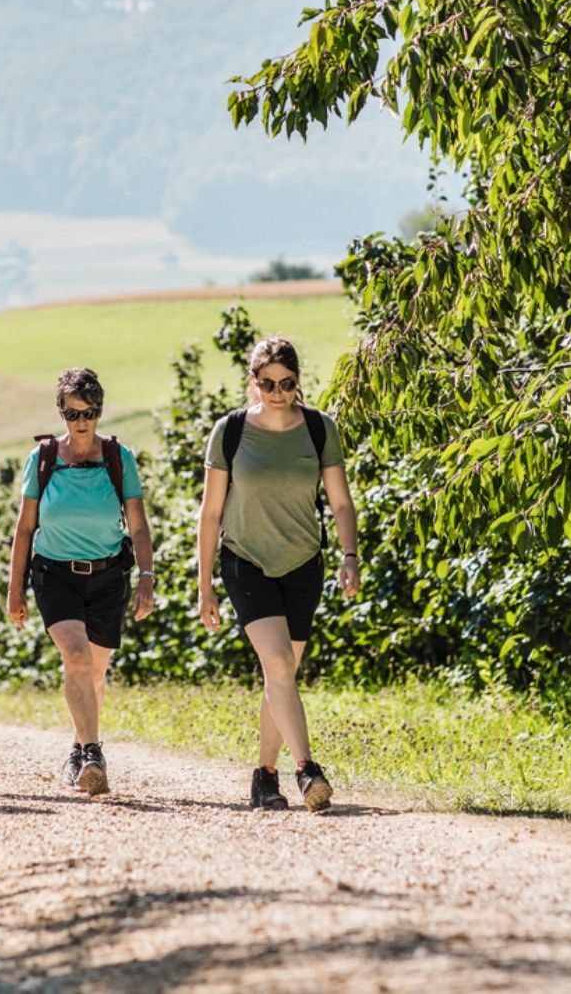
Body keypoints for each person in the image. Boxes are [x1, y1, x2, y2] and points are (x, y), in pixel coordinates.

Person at [196, 335, 359, 812]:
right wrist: (204, 585)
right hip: (246, 560)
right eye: (267, 383)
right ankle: (308, 770)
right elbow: (211, 512)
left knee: (280, 674)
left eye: (287, 383)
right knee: (281, 666)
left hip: (303, 563)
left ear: (297, 381)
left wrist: (350, 555)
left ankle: (265, 776)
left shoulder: (319, 429)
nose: (278, 393)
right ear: (253, 381)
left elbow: (341, 502)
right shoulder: (230, 432)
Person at [7, 366, 155, 796]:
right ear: (61, 413)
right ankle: (93, 753)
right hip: (54, 574)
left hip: (108, 575)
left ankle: (78, 747)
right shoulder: (43, 459)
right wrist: (15, 589)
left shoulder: (118, 458)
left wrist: (146, 577)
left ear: (99, 412)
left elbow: (138, 525)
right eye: (73, 413)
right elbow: (24, 528)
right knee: (76, 657)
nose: (81, 421)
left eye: (89, 412)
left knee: (95, 671)